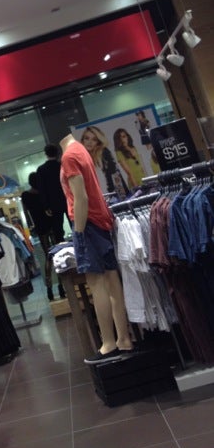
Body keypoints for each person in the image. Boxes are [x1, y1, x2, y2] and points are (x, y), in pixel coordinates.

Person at [59, 133, 133, 364]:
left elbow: (80, 198)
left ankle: (109, 343)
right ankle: (124, 338)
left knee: (97, 284)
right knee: (111, 281)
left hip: (87, 223)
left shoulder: (69, 156)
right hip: (100, 221)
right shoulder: (80, 149)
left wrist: (79, 233)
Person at [21, 172, 65, 301]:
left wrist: (31, 227)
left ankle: (49, 289)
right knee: (58, 255)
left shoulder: (26, 196)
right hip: (52, 225)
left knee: (48, 257)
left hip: (40, 228)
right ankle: (62, 287)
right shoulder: (44, 193)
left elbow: (26, 214)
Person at [79, 125, 129, 198]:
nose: (89, 142)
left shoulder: (104, 153)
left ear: (98, 142)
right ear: (83, 140)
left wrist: (119, 197)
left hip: (112, 197)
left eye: (94, 139)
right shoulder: (82, 157)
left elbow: (115, 175)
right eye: (87, 138)